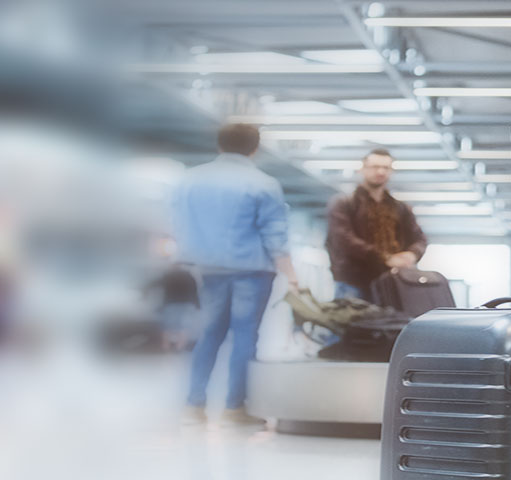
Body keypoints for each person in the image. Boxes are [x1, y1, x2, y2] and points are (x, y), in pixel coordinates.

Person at [172, 123, 300, 425]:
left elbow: (178, 222)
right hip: (251, 270)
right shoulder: (263, 184)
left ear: (219, 146)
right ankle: (235, 408)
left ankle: (194, 404)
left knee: (208, 334)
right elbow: (275, 234)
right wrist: (291, 275)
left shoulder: (189, 180)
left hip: (206, 269)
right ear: (254, 148)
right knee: (245, 336)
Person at [325, 148, 427, 301]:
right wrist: (385, 258)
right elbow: (344, 240)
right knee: (353, 324)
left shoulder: (400, 208)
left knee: (395, 325)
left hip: (393, 282)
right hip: (354, 282)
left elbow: (420, 239)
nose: (380, 172)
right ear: (362, 169)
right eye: (375, 167)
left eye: (385, 168)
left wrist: (411, 255)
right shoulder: (344, 204)